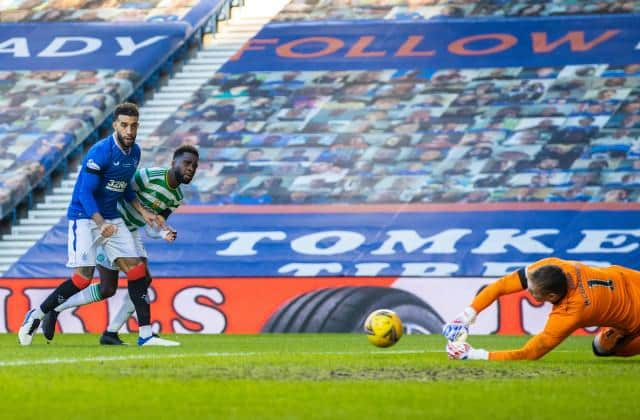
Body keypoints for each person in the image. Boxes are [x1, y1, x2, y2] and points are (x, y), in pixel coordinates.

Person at [18, 102, 174, 347]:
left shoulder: (135, 153)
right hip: (85, 217)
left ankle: (145, 335)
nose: (129, 131)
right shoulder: (100, 152)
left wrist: (144, 212)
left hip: (111, 217)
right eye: (124, 125)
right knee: (83, 279)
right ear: (115, 125)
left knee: (137, 271)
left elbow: (123, 190)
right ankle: (36, 314)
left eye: (134, 126)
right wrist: (100, 223)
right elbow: (85, 194)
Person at [40, 145, 199, 345]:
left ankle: (111, 332)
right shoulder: (148, 176)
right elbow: (121, 190)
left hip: (132, 232)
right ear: (173, 162)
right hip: (113, 227)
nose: (191, 168)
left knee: (123, 284)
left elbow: (152, 228)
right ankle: (58, 309)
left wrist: (164, 232)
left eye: (194, 165)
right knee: (120, 283)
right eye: (186, 163)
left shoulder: (176, 198)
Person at [444, 257, 640, 361]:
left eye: (533, 293)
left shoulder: (571, 311)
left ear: (552, 297)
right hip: (633, 279)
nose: (528, 292)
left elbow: (529, 353)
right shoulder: (553, 266)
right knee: (599, 344)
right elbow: (503, 285)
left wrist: (473, 355)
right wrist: (466, 316)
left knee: (601, 348)